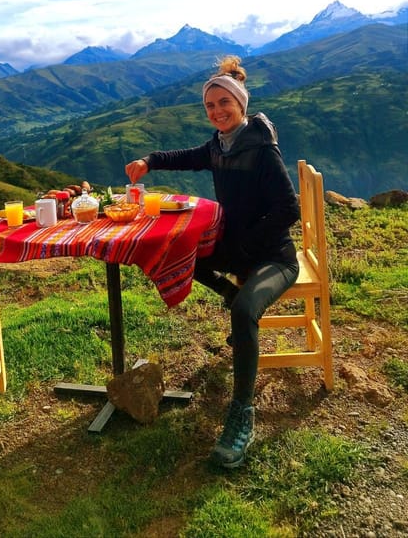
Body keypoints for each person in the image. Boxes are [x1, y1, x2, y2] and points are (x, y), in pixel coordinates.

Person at [125, 55, 300, 469]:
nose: (218, 111)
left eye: (225, 103)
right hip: (240, 249)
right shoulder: (220, 146)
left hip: (275, 257)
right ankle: (228, 292)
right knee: (176, 250)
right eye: (210, 106)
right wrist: (150, 160)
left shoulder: (260, 149)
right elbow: (186, 155)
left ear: (240, 104)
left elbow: (288, 209)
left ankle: (242, 414)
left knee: (244, 311)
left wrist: (244, 250)